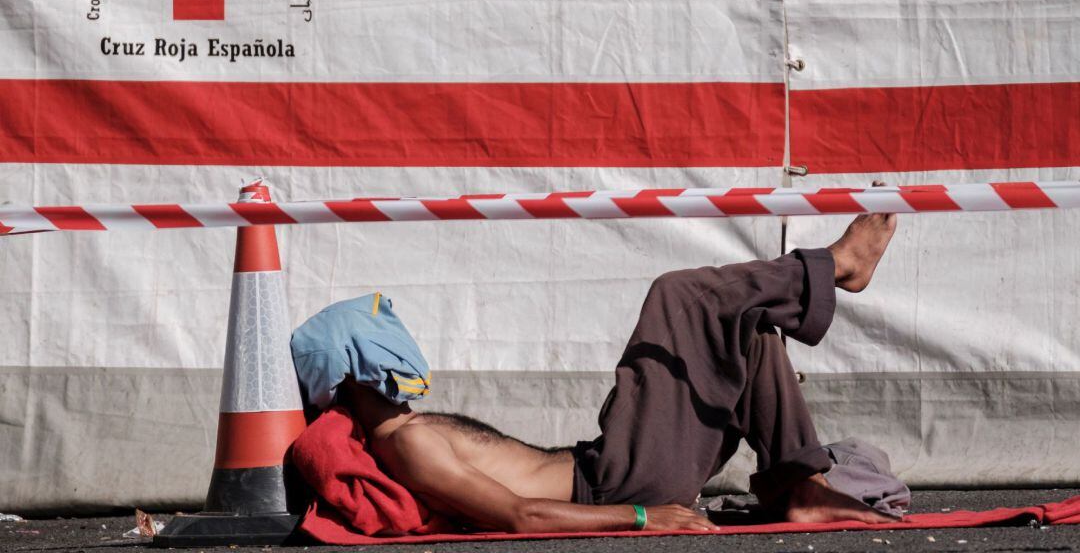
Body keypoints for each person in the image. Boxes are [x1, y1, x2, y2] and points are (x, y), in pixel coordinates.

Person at [339, 197, 899, 533]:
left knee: (746, 327)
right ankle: (831, 268)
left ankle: (804, 486)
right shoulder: (408, 443)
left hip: (612, 464)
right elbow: (519, 516)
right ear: (350, 366)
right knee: (678, 297)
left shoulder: (413, 430)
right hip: (616, 486)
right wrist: (640, 517)